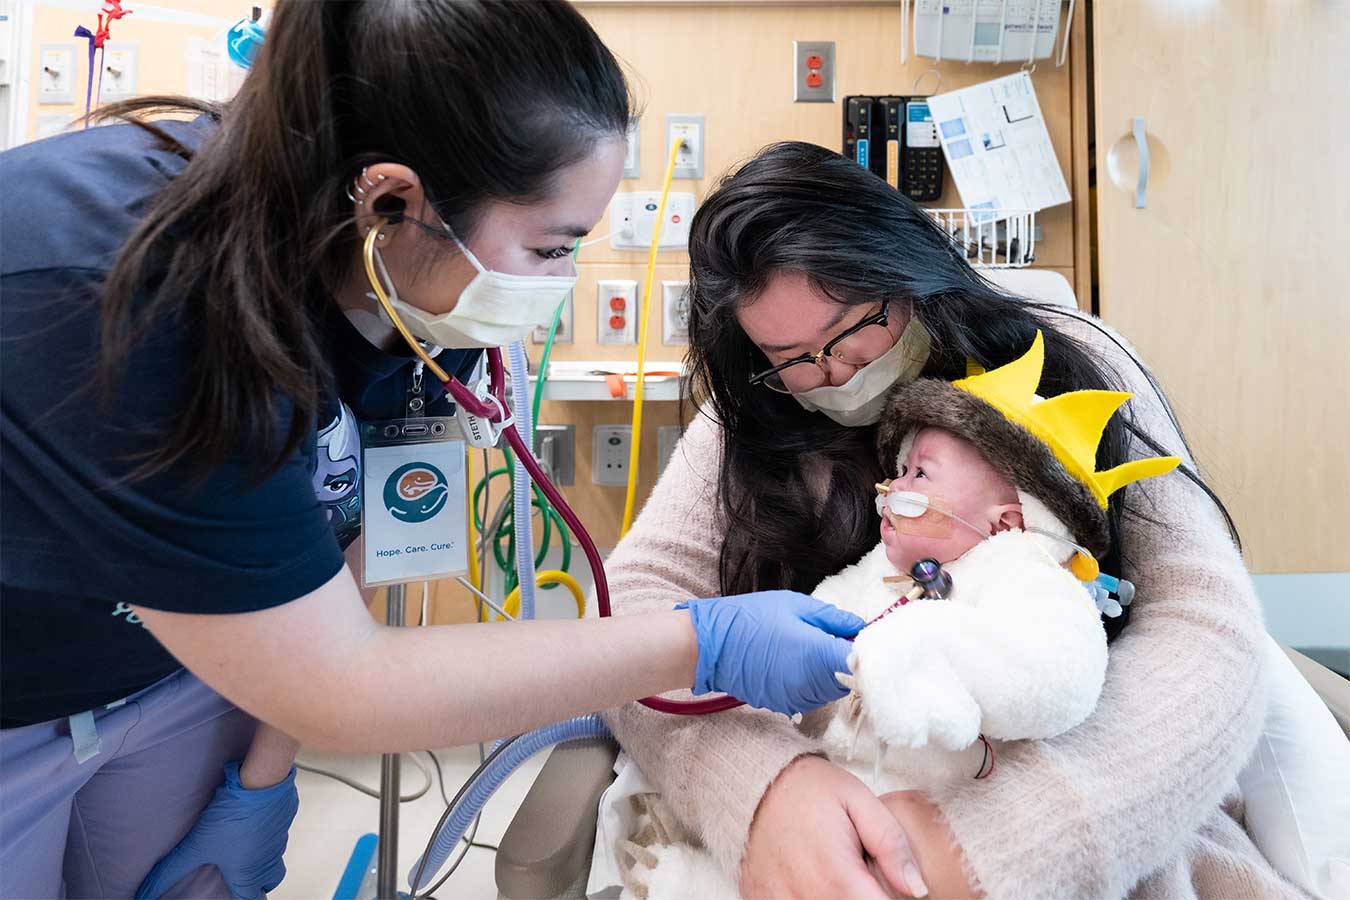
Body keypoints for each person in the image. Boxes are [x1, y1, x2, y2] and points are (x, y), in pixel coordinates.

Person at [0, 5, 863, 898]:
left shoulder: (411, 293)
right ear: (392, 201)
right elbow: (345, 681)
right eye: (549, 247)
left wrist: (260, 777)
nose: (556, 285)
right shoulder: (129, 300)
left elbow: (350, 556)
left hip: (179, 671)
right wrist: (701, 643)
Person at [601, 142, 1290, 899]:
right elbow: (633, 604)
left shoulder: (1076, 363)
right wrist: (762, 789)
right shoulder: (753, 417)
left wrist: (1002, 841)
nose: (834, 373)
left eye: (851, 327)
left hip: (1070, 775)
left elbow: (1203, 618)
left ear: (907, 268)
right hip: (837, 778)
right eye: (789, 355)